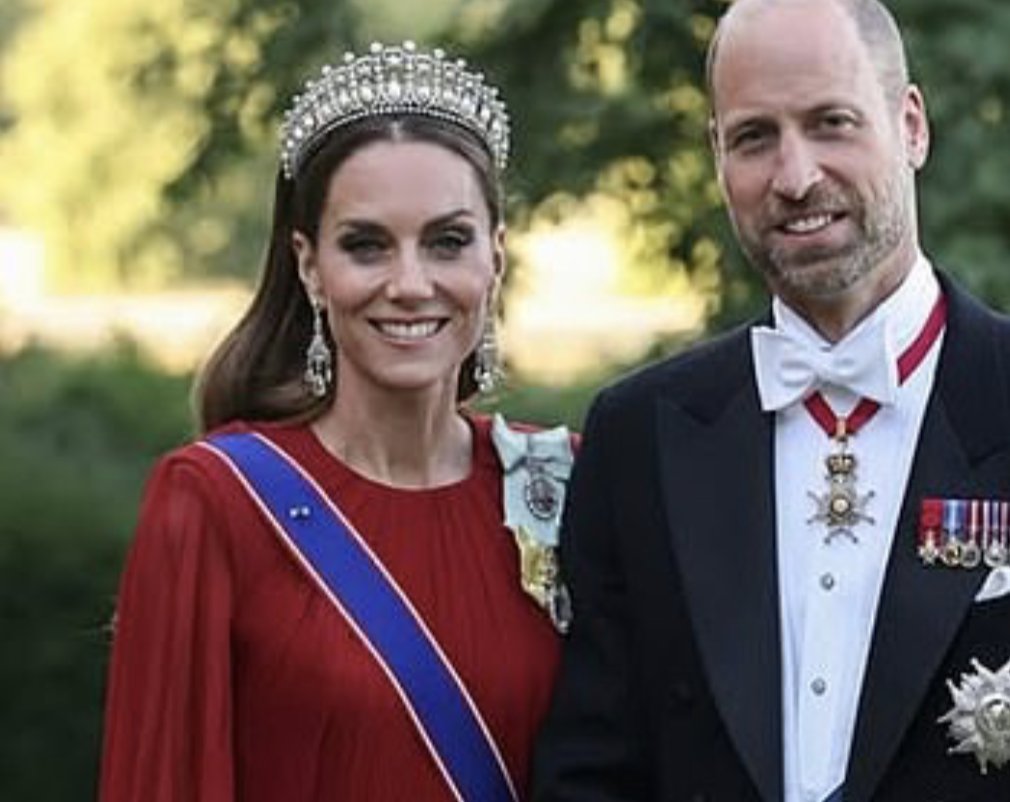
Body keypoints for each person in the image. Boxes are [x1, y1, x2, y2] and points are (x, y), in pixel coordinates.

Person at [532, 0, 1010, 800]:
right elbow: (591, 774)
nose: (795, 178)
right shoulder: (639, 438)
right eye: (755, 137)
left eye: (831, 123)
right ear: (717, 154)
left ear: (912, 127)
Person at [99, 41, 576, 802]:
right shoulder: (217, 502)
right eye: (366, 246)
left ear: (497, 256)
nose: (411, 284)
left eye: (448, 241)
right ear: (309, 264)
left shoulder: (566, 484)